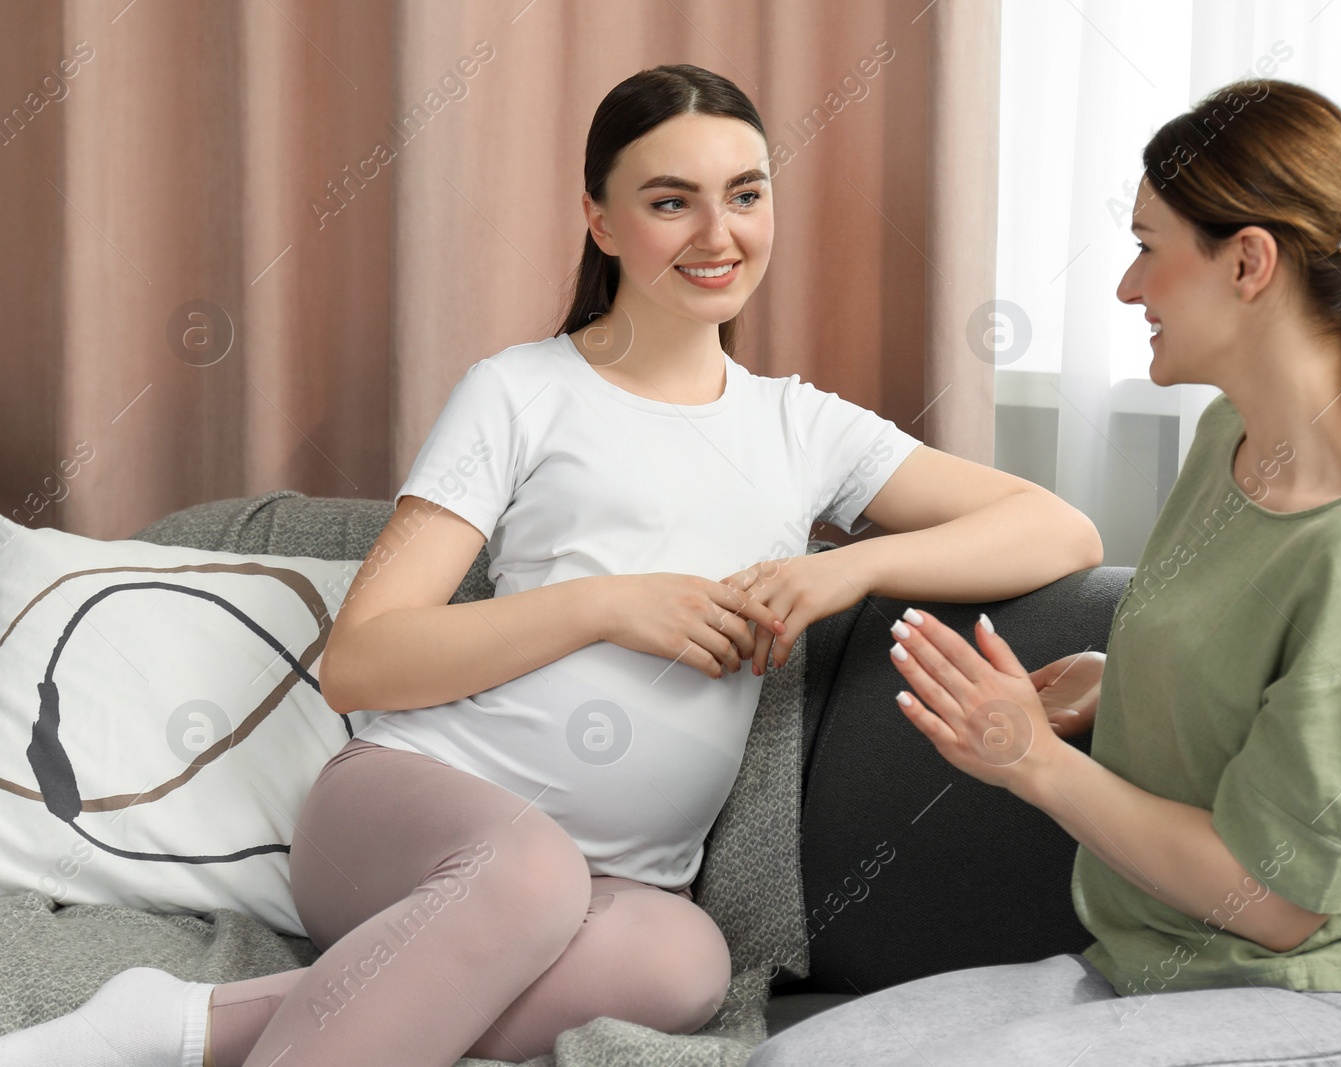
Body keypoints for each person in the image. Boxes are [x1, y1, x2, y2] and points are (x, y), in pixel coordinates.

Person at [0, 64, 1100, 1067]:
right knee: (526, 874)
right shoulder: (519, 391)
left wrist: (842, 572)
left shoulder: (804, 429)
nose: (719, 232)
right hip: (406, 815)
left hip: (622, 885)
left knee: (686, 968)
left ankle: (177, 1024)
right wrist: (602, 606)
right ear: (601, 219)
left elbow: (1057, 531)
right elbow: (364, 659)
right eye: (671, 200)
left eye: (747, 193)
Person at [747, 78, 1341, 1067]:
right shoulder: (1232, 438)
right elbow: (1252, 665)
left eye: (1147, 245)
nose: (1127, 288)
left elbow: (1275, 901)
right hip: (1151, 969)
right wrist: (1119, 678)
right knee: (786, 1061)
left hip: (1335, 1004)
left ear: (1248, 261)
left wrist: (1033, 763)